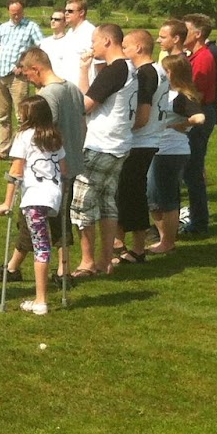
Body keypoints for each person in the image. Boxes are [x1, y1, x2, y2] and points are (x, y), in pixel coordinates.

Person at [0, 46, 86, 285]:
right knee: (59, 220)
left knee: (31, 219)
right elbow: (82, 124)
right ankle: (62, 272)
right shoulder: (72, 88)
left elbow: (39, 136)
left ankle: (14, 269)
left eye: (28, 74)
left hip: (46, 172)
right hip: (69, 165)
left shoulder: (48, 96)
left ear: (37, 69)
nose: (27, 79)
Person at [71, 23, 136, 278]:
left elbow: (84, 105)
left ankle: (87, 263)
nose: (92, 46)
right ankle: (106, 261)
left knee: (82, 204)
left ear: (108, 41)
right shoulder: (128, 68)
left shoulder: (115, 70)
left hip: (101, 144)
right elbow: (91, 96)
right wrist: (85, 69)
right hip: (119, 143)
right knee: (107, 203)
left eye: (95, 41)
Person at [0, 96, 67, 315]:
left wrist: (7, 203)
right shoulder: (55, 137)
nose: (19, 116)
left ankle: (40, 301)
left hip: (34, 199)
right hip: (53, 197)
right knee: (43, 244)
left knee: (41, 247)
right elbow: (63, 171)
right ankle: (41, 298)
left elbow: (15, 172)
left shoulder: (24, 136)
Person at [146, 54, 204, 255]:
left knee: (165, 198)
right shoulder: (165, 93)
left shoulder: (181, 96)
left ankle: (168, 241)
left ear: (172, 73)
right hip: (159, 150)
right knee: (153, 197)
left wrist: (180, 124)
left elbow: (199, 117)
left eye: (164, 71)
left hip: (171, 152)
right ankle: (164, 238)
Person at [115, 28, 163, 263]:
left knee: (131, 194)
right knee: (128, 193)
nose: (123, 51)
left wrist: (120, 127)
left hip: (141, 141)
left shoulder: (145, 74)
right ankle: (122, 244)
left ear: (139, 48)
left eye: (126, 47)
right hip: (150, 139)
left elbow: (142, 116)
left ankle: (136, 249)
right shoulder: (159, 70)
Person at [181, 12, 217, 238]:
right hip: (199, 113)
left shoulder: (204, 57)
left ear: (197, 34)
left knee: (193, 170)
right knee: (189, 170)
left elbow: (194, 90)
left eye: (185, 30)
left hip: (199, 115)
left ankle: (199, 222)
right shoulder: (195, 55)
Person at [0, 0, 45, 160]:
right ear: (8, 11)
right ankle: (3, 151)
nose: (16, 15)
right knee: (2, 116)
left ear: (23, 11)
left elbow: (40, 47)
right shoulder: (2, 28)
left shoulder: (31, 27)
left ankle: (20, 153)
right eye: (13, 12)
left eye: (18, 12)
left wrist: (24, 66)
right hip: (0, 75)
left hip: (19, 77)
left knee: (21, 115)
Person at [48, 0, 97, 88]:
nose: (66, 13)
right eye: (65, 10)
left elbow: (98, 62)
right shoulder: (70, 32)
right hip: (67, 87)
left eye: (70, 11)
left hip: (82, 88)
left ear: (81, 13)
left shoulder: (90, 32)